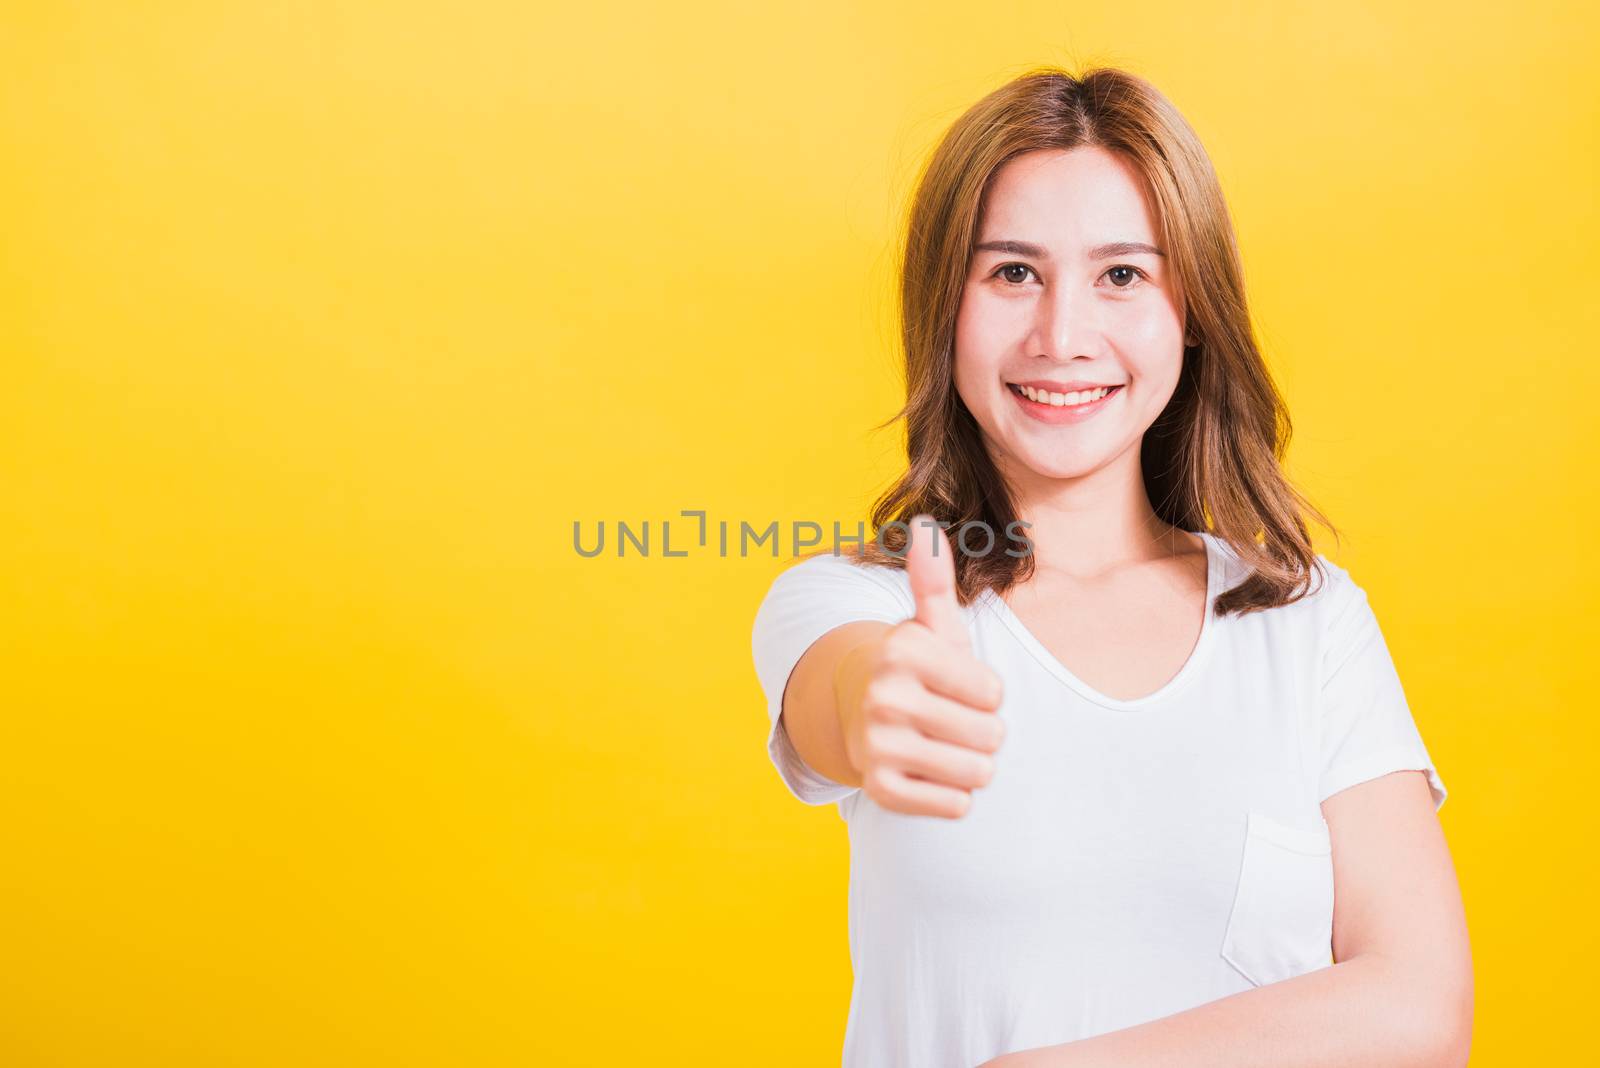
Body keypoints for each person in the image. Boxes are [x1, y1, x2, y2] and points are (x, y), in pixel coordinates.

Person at [749, 66, 1472, 1068]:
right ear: (942, 311)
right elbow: (843, 694)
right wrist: (877, 701)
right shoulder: (861, 603)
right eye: (1010, 273)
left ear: (1191, 311)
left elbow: (1418, 1010)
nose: (1061, 336)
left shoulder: (1308, 625)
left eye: (1121, 275)